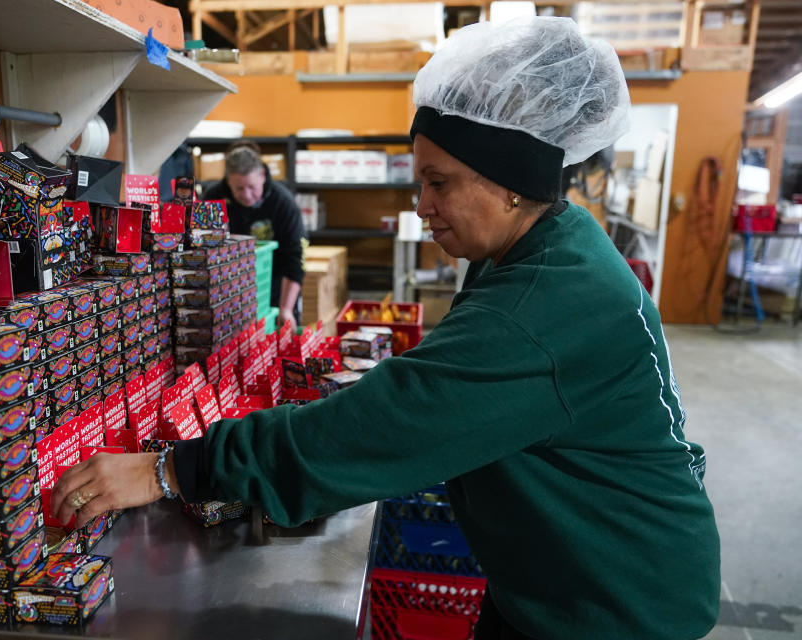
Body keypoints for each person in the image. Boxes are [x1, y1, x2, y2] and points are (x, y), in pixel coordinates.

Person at [52, 17, 720, 640]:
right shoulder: (536, 245)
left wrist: (171, 468)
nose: (421, 205)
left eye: (440, 182)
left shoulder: (540, 305)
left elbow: (385, 426)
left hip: (617, 601)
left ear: (510, 181)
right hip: (559, 571)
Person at [203, 141, 306, 328]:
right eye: (239, 189)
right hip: (226, 298)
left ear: (263, 176)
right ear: (228, 182)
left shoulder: (283, 203)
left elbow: (295, 258)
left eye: (251, 187)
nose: (247, 195)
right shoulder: (213, 198)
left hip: (273, 293)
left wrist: (286, 309)